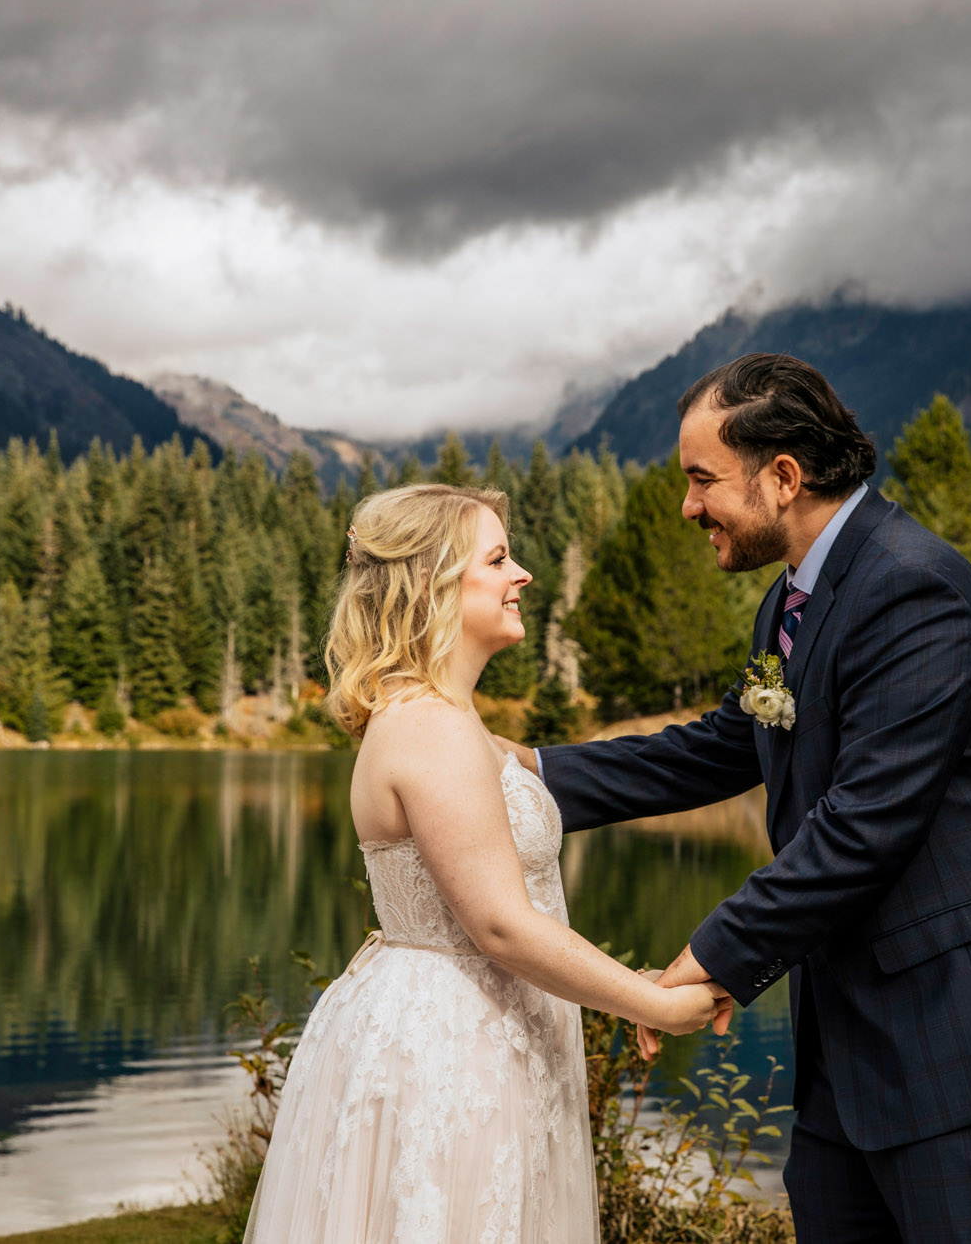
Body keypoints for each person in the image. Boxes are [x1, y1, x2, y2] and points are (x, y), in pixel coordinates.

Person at [499, 353, 971, 1242]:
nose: (687, 507)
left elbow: (865, 827)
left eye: (700, 480)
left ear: (784, 476)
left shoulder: (915, 590)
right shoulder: (791, 601)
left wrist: (713, 957)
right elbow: (728, 745)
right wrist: (526, 768)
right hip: (856, 1063)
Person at [242, 483, 724, 1244]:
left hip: (483, 1034)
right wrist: (650, 1001)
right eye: (498, 558)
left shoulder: (449, 718)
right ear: (435, 584)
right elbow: (500, 922)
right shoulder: (428, 724)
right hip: (452, 1052)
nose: (522, 573)